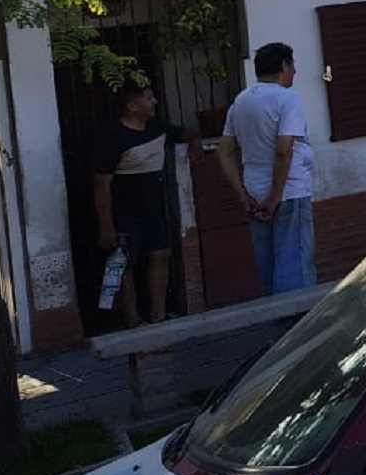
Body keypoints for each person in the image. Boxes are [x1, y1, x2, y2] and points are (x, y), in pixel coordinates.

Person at [91, 81, 199, 326]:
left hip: (153, 212)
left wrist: (194, 141)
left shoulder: (158, 128)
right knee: (121, 265)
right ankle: (131, 320)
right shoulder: (113, 137)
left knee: (161, 255)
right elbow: (101, 185)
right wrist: (106, 225)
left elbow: (187, 132)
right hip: (123, 215)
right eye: (149, 98)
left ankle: (158, 317)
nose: (155, 102)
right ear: (132, 105)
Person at [219, 42, 316, 294]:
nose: (294, 72)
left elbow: (225, 150)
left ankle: (275, 323)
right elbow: (284, 150)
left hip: (254, 191)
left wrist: (242, 194)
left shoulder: (240, 101)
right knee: (294, 264)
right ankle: (296, 324)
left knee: (268, 266)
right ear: (284, 66)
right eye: (292, 66)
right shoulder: (288, 99)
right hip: (288, 191)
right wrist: (275, 197)